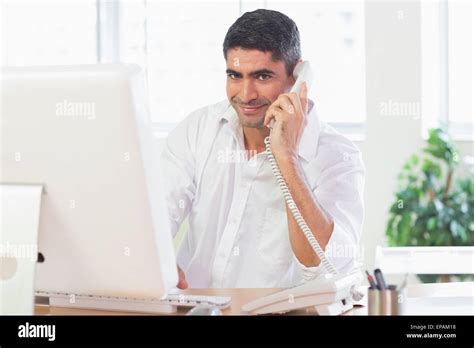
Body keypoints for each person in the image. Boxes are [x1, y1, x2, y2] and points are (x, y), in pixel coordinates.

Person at [161, 9, 365, 288]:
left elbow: (322, 265)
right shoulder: (198, 130)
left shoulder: (337, 157)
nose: (245, 95)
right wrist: (154, 260)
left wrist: (286, 156)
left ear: (298, 77)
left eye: (262, 77)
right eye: (235, 76)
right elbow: (156, 215)